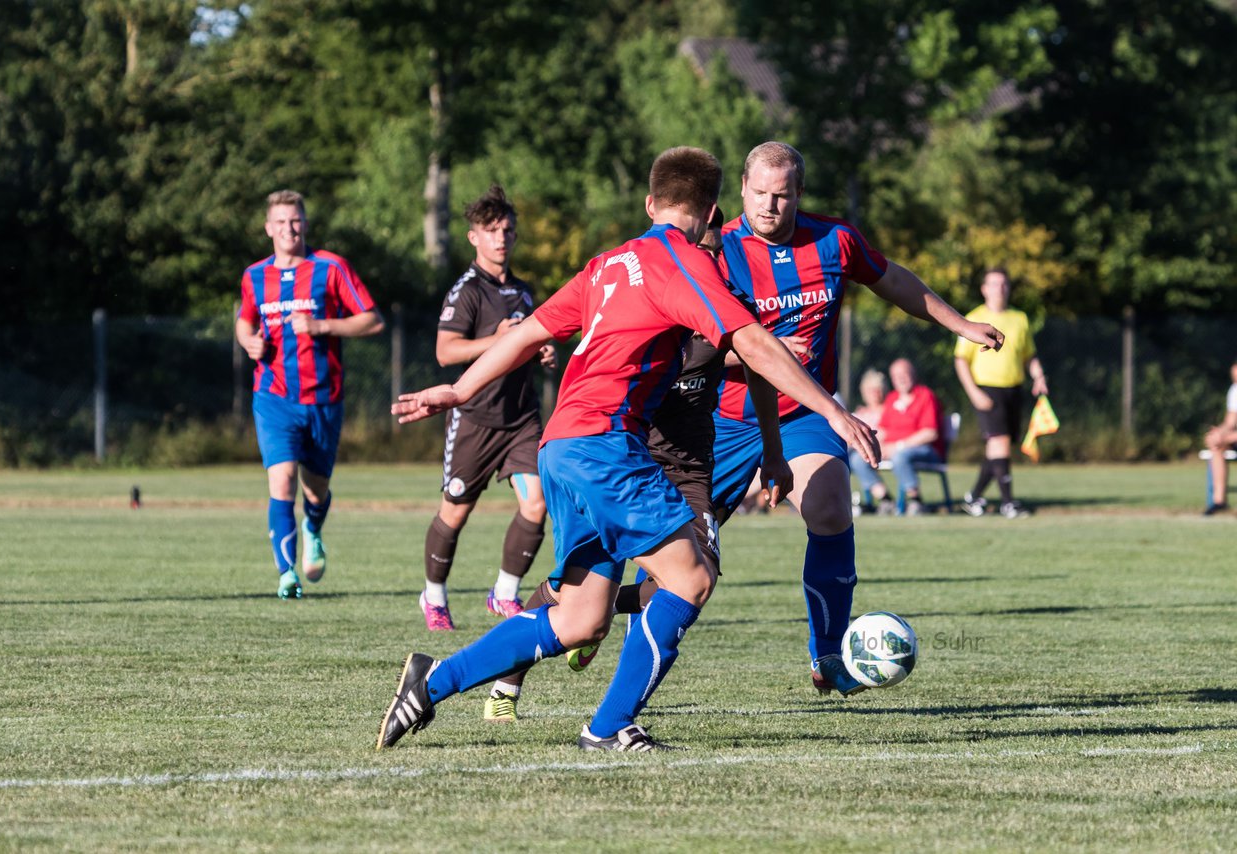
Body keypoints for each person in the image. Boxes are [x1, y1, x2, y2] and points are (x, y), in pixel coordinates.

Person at [379, 146, 879, 752]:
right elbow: (752, 342)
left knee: (580, 618)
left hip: (560, 446)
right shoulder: (686, 263)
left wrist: (458, 389)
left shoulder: (608, 264)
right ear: (715, 211)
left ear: (650, 203)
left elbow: (532, 331)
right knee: (690, 578)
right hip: (605, 445)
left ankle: (430, 683)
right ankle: (609, 726)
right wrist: (834, 410)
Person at [710, 141, 1004, 698]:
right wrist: (760, 351)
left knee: (829, 507)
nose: (770, 207)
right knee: (680, 562)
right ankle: (593, 623)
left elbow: (894, 280)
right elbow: (689, 347)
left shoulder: (833, 240)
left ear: (798, 193)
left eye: (783, 196)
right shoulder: (714, 253)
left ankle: (828, 653)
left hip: (804, 411)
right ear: (741, 189)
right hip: (720, 420)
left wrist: (959, 323)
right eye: (760, 195)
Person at [479, 207, 794, 723]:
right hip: (629, 457)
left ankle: (595, 627)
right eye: (702, 251)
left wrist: (773, 449)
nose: (707, 260)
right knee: (590, 591)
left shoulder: (727, 303)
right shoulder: (649, 295)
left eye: (716, 254)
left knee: (698, 576)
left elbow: (756, 365)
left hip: (690, 467)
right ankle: (511, 680)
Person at [235, 190, 384, 599]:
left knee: (315, 489)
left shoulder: (331, 267)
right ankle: (286, 575)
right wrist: (248, 341)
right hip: (273, 396)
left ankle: (313, 527)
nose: (289, 228)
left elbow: (372, 320)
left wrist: (322, 327)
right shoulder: (254, 276)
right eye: (281, 222)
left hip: (322, 398)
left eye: (295, 220)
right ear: (268, 228)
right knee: (281, 481)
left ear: (305, 223)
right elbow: (244, 323)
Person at [420, 185, 556, 631]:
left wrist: (543, 353)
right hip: (476, 419)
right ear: (473, 237)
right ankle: (434, 597)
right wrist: (497, 340)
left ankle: (503, 593)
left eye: (508, 230)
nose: (501, 238)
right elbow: (445, 351)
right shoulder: (466, 292)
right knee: (455, 511)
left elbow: (529, 340)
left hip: (521, 419)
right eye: (491, 230)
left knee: (536, 504)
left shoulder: (523, 291)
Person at [954, 267, 1047, 519]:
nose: (1000, 288)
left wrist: (1038, 376)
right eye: (994, 284)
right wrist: (973, 392)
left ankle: (974, 497)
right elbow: (961, 360)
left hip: (1014, 389)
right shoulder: (974, 318)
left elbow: (1029, 355)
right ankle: (1008, 503)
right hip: (987, 389)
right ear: (984, 289)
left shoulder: (1020, 319)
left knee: (999, 449)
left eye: (1004, 284)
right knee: (1000, 443)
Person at [851, 359, 945, 516]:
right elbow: (883, 430)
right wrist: (873, 445)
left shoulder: (925, 396)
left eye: (904, 374)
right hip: (894, 449)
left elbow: (930, 433)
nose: (901, 379)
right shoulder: (892, 399)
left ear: (913, 375)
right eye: (896, 376)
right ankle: (886, 500)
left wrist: (898, 446)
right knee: (859, 458)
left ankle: (916, 501)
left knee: (900, 456)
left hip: (926, 450)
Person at [848, 369, 890, 514]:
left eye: (877, 389)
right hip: (858, 450)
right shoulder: (859, 413)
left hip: (878, 449)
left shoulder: (888, 411)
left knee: (856, 458)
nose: (874, 393)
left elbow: (886, 434)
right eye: (870, 390)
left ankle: (885, 498)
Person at [1202, 358, 1237, 515]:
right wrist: (1218, 434)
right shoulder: (1235, 391)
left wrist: (1229, 438)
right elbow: (1230, 422)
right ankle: (1219, 501)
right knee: (1217, 446)